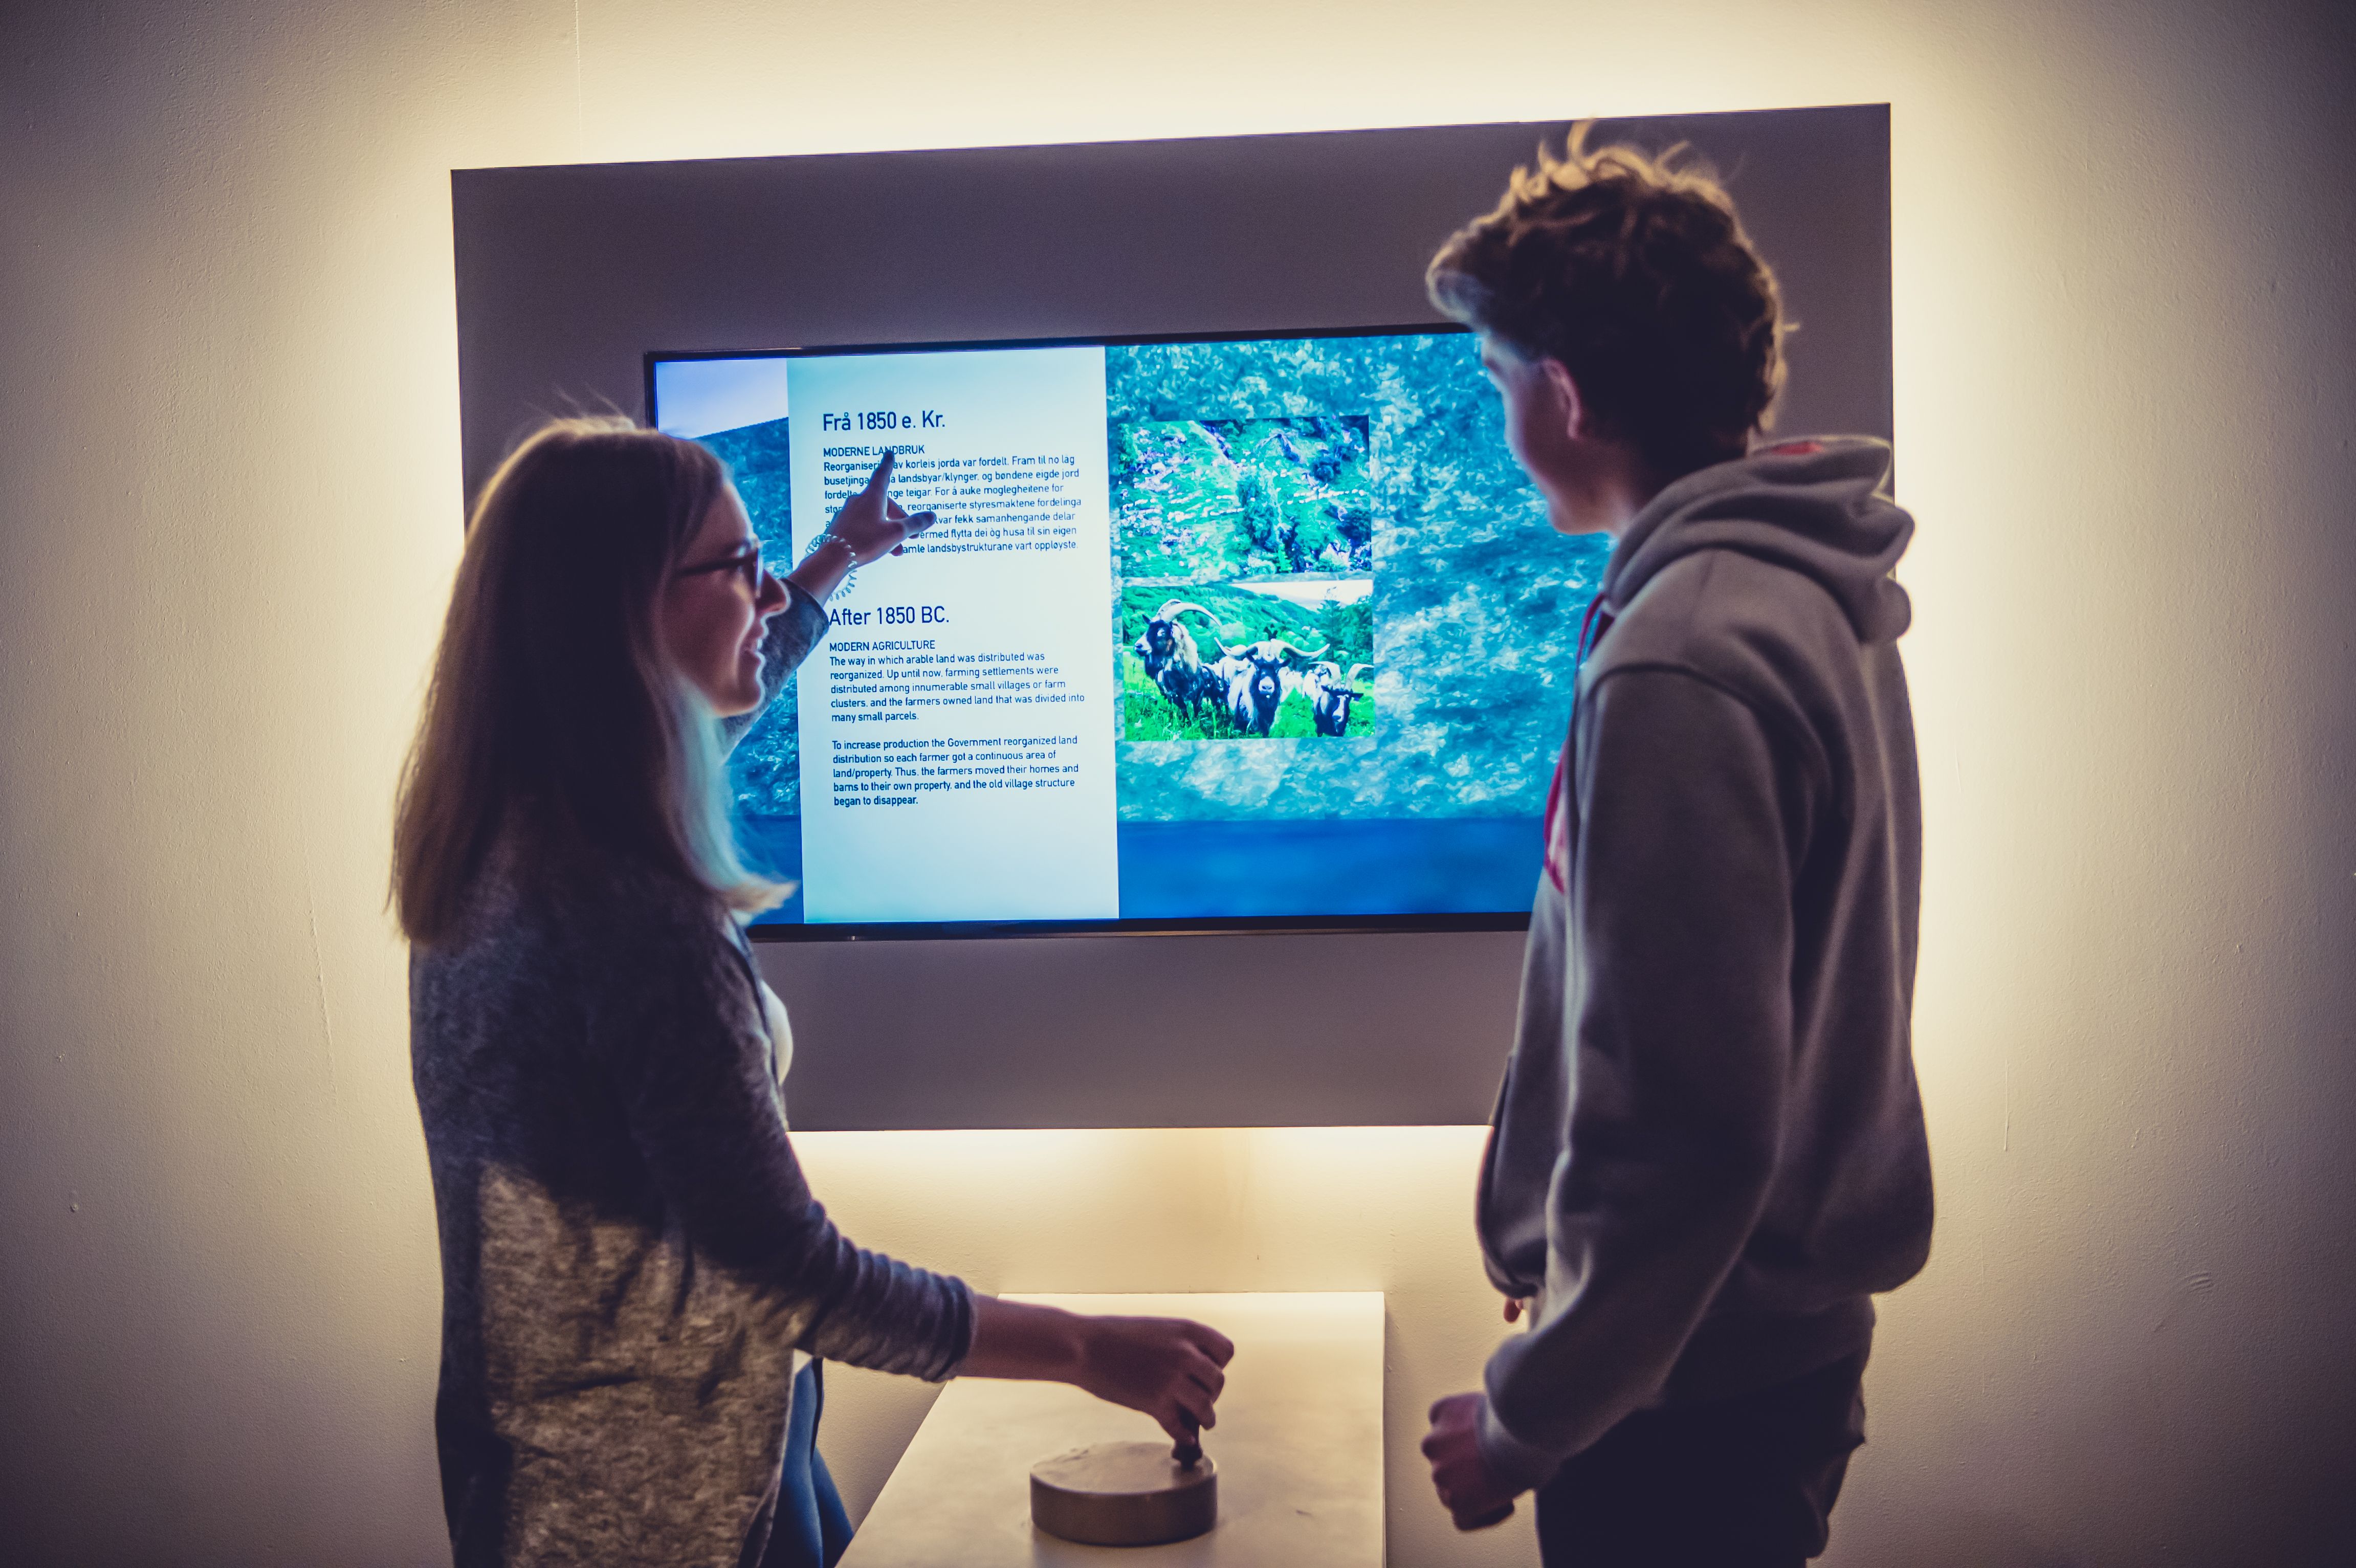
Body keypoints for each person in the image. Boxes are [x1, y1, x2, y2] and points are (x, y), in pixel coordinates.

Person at [393, 418, 1232, 1567]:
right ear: (626, 608)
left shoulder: (509, 836)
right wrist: (1085, 1350)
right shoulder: (637, 916)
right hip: (669, 1500)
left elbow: (712, 712)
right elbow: (782, 1269)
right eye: (741, 566)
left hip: (583, 1452)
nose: (768, 594)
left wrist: (839, 560)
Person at [1415, 129, 1932, 1566]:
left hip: (1682, 1397)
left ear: (1565, 396)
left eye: (1498, 384)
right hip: (1764, 1362)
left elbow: (1685, 1131)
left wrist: (1530, 1418)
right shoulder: (1799, 592)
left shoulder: (1680, 657)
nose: (1500, 422)